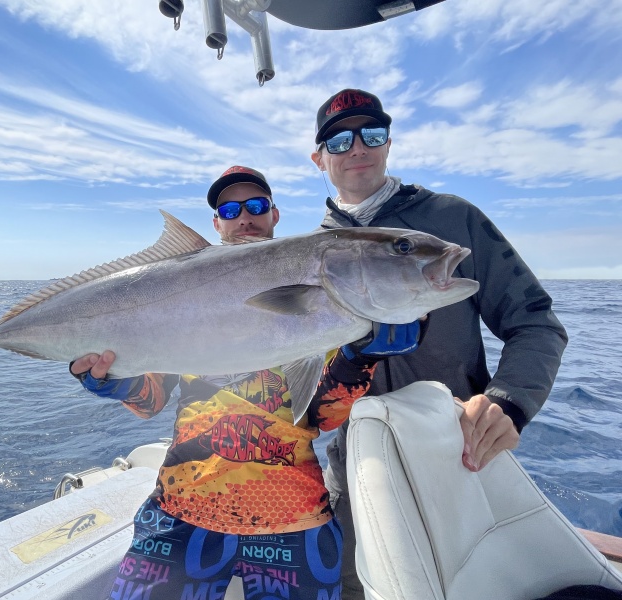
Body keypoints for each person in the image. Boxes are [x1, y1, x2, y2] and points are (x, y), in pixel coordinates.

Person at [69, 166, 421, 600]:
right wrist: (110, 381)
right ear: (216, 224)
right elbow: (149, 400)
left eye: (256, 206)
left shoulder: (327, 304)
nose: (245, 218)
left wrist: (359, 355)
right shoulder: (182, 295)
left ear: (275, 215)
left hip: (293, 514)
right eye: (230, 209)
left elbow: (320, 417)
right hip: (183, 506)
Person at [309, 88, 569, 599]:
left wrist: (508, 402)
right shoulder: (306, 253)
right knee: (352, 583)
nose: (357, 147)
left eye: (372, 133)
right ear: (320, 158)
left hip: (458, 449)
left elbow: (536, 322)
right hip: (355, 460)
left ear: (388, 144)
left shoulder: (453, 221)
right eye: (339, 140)